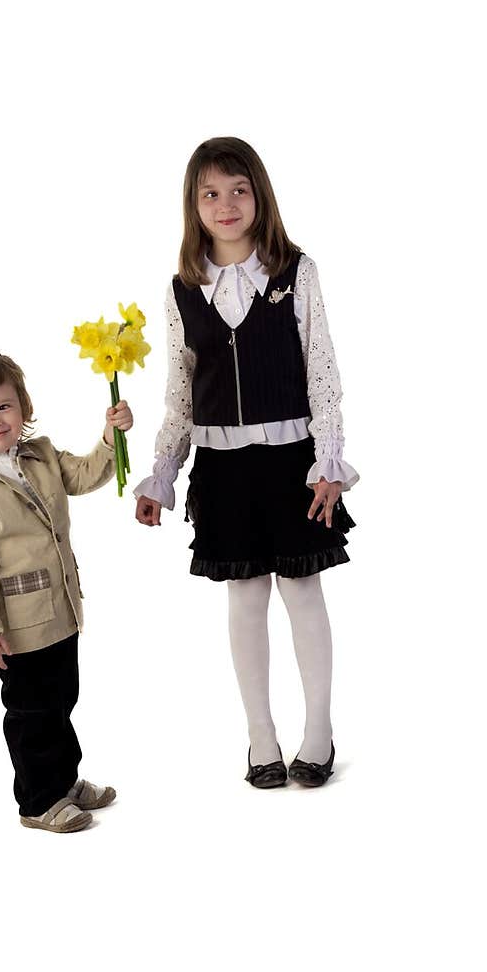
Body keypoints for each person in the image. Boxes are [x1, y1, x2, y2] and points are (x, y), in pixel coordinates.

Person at [134, 137, 358, 789]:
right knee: (246, 596)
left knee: (302, 590)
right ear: (193, 205)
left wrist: (329, 460)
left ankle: (318, 732)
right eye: (210, 193)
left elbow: (323, 373)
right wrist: (161, 472)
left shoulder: (296, 273)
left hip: (291, 460)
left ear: (258, 195)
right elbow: (180, 393)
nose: (225, 204)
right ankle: (261, 736)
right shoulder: (182, 289)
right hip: (224, 470)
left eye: (238, 189)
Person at [0, 348, 132, 832]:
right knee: (31, 713)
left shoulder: (40, 455)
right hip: (16, 629)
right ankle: (38, 800)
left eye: (4, 406)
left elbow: (88, 474)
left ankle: (64, 780)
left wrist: (110, 438)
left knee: (62, 699)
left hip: (61, 610)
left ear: (22, 406)